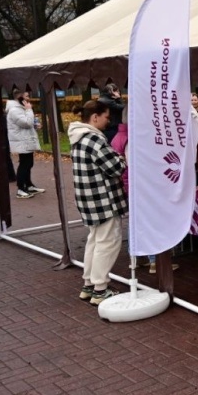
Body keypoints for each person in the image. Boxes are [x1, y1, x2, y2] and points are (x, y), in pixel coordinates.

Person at [69, 100, 127, 306]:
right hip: (103, 200)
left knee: (94, 241)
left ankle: (89, 285)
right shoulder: (93, 138)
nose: (108, 121)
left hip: (89, 199)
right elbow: (115, 167)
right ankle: (100, 289)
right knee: (107, 243)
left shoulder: (78, 137)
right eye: (106, 117)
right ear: (95, 117)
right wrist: (121, 158)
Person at [110, 107, 175, 275]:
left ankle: (136, 258)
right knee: (150, 221)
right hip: (139, 185)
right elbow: (137, 164)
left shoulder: (118, 137)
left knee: (135, 221)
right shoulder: (132, 138)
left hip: (128, 184)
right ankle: (154, 260)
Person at [5, 88, 44, 199]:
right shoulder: (14, 110)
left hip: (25, 139)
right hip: (22, 141)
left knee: (29, 163)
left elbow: (27, 123)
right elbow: (26, 123)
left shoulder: (20, 109)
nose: (29, 98)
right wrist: (29, 110)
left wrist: (35, 125)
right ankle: (21, 188)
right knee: (24, 164)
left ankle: (29, 185)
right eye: (26, 96)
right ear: (20, 97)